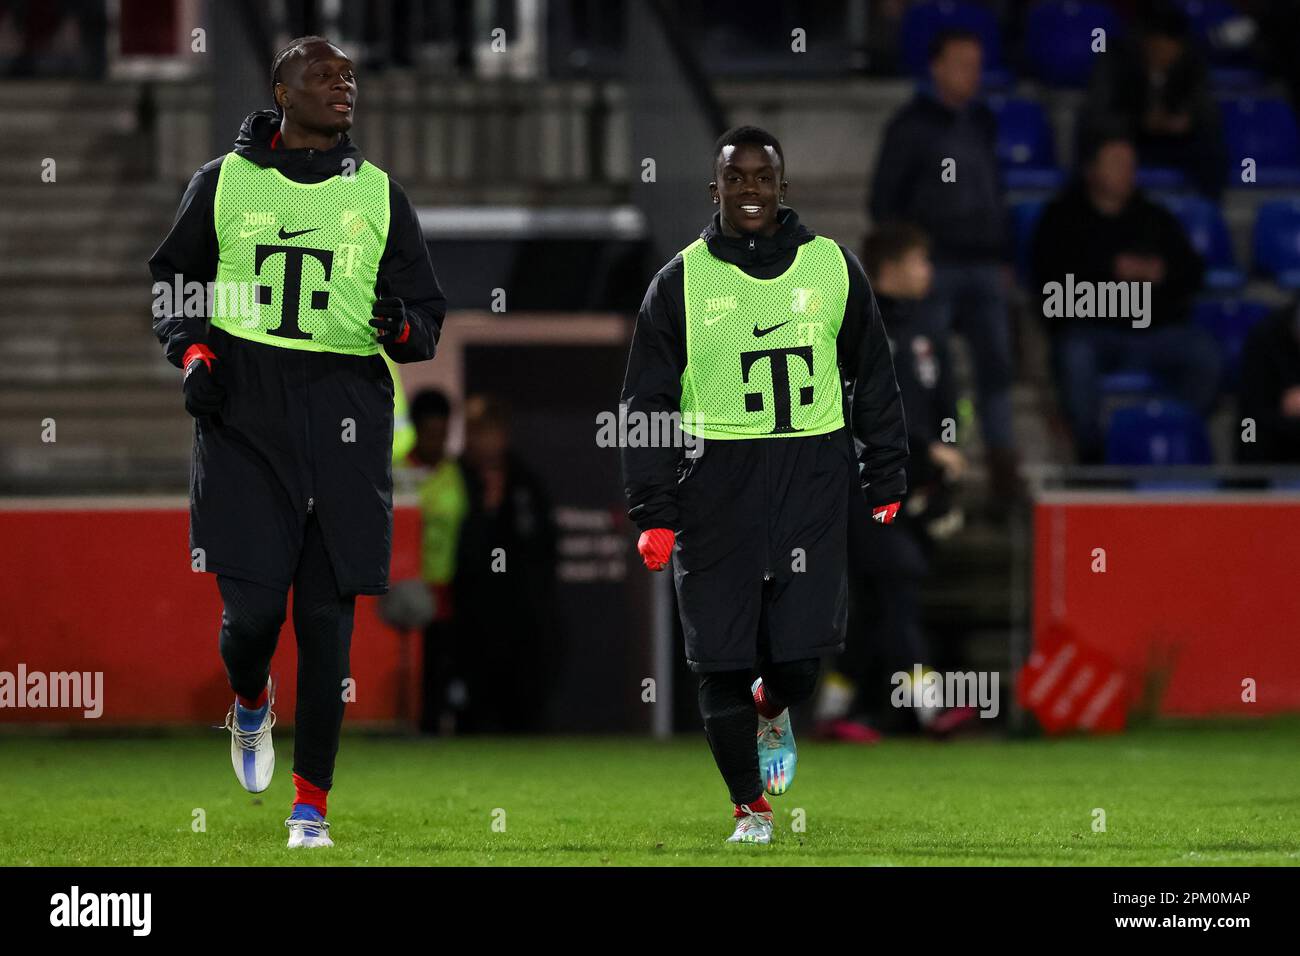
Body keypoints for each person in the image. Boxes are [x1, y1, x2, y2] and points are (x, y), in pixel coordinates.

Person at [148, 36, 445, 848]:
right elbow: (175, 281)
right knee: (248, 620)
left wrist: (403, 325)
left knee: (327, 627)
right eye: (323, 74)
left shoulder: (380, 194)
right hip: (247, 410)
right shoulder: (222, 182)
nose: (343, 85)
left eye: (351, 75)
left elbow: (425, 317)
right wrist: (195, 350)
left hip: (346, 412)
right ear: (282, 89)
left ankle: (310, 807)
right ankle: (249, 702)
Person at [621, 125, 908, 844]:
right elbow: (645, 405)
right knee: (716, 655)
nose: (750, 189)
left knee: (800, 661)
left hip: (812, 476)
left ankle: (772, 705)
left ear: (785, 187)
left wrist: (885, 473)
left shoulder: (834, 267)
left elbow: (874, 376)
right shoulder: (679, 282)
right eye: (736, 177)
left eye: (763, 176)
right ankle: (750, 808)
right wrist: (651, 509)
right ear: (714, 189)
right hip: (716, 481)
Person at [821, 224, 972, 741]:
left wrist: (941, 461)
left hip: (914, 487)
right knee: (899, 582)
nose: (928, 271)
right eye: (919, 261)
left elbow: (942, 402)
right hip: (865, 486)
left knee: (878, 602)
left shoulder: (926, 329)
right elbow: (862, 407)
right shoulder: (859, 327)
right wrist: (928, 449)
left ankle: (837, 712)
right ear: (891, 269)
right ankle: (930, 708)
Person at [870, 28, 1018, 502]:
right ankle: (927, 463)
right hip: (933, 268)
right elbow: (883, 201)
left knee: (996, 370)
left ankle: (1002, 469)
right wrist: (909, 257)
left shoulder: (982, 122)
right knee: (923, 368)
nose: (970, 74)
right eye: (960, 63)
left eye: (976, 64)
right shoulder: (910, 126)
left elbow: (996, 194)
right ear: (936, 67)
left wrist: (1003, 254)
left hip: (984, 265)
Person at [1031, 132, 1214, 463]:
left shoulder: (1155, 216)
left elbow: (1193, 271)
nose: (1127, 171)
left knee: (1204, 353)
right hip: (1092, 330)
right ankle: (1091, 454)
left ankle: (1170, 433)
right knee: (1075, 355)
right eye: (1116, 163)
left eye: (1131, 164)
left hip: (1154, 331)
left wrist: (1161, 272)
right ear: (1091, 170)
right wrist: (1110, 270)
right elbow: (1048, 284)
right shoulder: (1062, 218)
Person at [450, 395, 558, 733]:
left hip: (520, 614)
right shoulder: (451, 479)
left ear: (503, 434)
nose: (482, 441)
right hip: (467, 610)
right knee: (472, 707)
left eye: (489, 432)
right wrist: (485, 512)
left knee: (523, 707)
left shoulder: (525, 481)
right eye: (475, 432)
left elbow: (543, 544)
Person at [1081, 1, 1225, 198]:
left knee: (1211, 150)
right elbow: (1098, 116)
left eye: (1171, 50)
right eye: (1159, 48)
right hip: (1128, 138)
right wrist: (1141, 122)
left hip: (1175, 142)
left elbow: (1207, 112)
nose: (1165, 56)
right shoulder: (1116, 60)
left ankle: (1209, 209)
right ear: (1147, 43)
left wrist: (1186, 122)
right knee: (1101, 152)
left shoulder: (1191, 64)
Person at [403, 389, 469, 733]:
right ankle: (407, 726)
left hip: (448, 587)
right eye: (430, 433)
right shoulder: (397, 472)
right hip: (404, 587)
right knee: (411, 666)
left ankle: (441, 727)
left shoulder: (457, 474)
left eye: (442, 433)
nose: (437, 441)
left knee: (445, 664)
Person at [1238, 300, 1300, 465]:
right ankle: (1248, 482)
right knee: (1248, 428)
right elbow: (1252, 401)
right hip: (1272, 423)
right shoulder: (1265, 336)